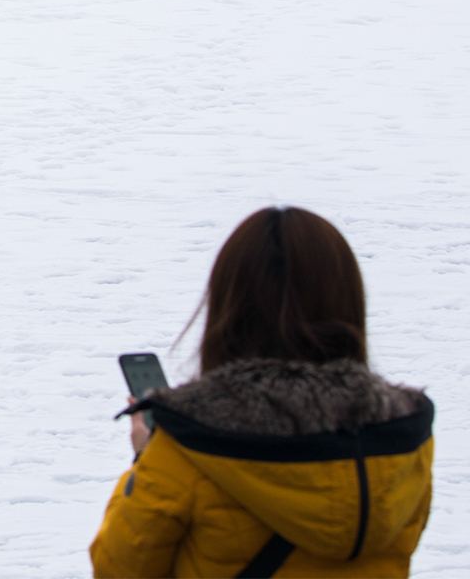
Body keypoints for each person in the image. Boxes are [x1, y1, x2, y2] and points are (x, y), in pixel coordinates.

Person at [90, 207, 434, 578]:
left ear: (228, 307)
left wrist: (146, 459)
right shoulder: (403, 437)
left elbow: (118, 570)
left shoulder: (190, 445)